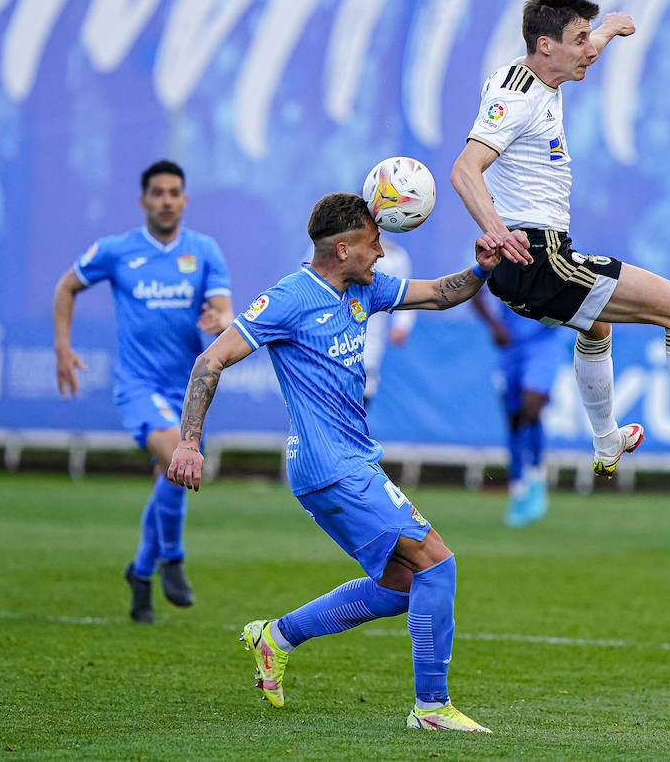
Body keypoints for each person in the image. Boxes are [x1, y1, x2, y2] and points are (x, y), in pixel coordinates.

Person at [165, 192, 497, 732]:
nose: (383, 254)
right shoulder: (291, 298)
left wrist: (481, 268)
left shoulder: (363, 287)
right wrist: (189, 441)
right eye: (373, 244)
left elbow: (439, 294)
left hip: (347, 463)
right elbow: (212, 359)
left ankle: (277, 636)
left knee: (403, 586)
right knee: (438, 563)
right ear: (342, 249)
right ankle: (432, 709)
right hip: (331, 466)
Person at [450, 0, 670, 481]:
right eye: (580, 39)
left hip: (529, 263)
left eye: (590, 39)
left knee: (596, 327)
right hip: (536, 256)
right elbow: (465, 169)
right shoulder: (516, 96)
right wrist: (498, 232)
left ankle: (606, 436)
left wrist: (606, 29)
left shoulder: (531, 74)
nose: (590, 49)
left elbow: (578, 52)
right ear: (546, 46)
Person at [53, 159, 232, 624]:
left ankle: (139, 571)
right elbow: (67, 287)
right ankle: (172, 558)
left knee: (169, 477)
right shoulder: (117, 251)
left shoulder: (204, 251)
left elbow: (224, 315)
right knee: (177, 459)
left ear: (185, 200)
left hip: (191, 390)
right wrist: (62, 347)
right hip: (138, 387)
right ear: (143, 201)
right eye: (158, 193)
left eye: (175, 192)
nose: (167, 200)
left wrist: (220, 322)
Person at [472, 289, 568, 527]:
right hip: (511, 345)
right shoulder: (501, 255)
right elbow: (475, 293)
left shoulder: (553, 253)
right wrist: (494, 325)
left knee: (532, 405)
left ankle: (536, 476)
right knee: (514, 418)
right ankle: (518, 486)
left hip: (543, 344)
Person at [361, 244, 417, 406]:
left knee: (362, 394)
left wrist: (402, 325)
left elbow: (406, 292)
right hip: (332, 341)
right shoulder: (330, 244)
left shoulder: (394, 256)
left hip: (370, 343)